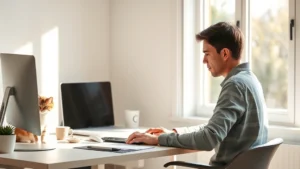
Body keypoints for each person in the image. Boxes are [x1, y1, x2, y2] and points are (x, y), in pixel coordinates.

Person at [126, 22, 269, 166]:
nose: (204, 60)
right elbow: (212, 129)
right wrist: (174, 133)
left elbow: (208, 139)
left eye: (207, 53)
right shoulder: (250, 80)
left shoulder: (235, 85)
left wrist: (159, 139)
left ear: (225, 53)